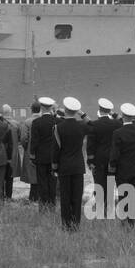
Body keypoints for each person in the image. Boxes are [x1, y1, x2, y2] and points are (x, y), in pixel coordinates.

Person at [109, 102, 135, 228]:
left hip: (122, 169)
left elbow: (115, 153)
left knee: (123, 196)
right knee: (134, 196)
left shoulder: (117, 133)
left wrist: (112, 167)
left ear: (123, 116)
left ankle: (124, 221)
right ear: (133, 117)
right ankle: (133, 222)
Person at [52, 97, 89, 229]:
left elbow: (56, 149)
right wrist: (82, 114)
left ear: (65, 110)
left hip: (64, 166)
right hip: (78, 166)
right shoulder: (82, 126)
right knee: (77, 197)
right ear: (75, 111)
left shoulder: (58, 127)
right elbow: (92, 125)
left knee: (65, 196)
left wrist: (55, 165)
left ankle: (66, 224)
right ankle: (76, 224)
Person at [30, 97, 58, 211]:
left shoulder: (36, 122)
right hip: (54, 157)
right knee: (53, 182)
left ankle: (43, 206)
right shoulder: (57, 121)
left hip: (41, 157)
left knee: (42, 182)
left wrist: (32, 155)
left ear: (41, 107)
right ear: (51, 107)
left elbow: (34, 141)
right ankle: (52, 205)